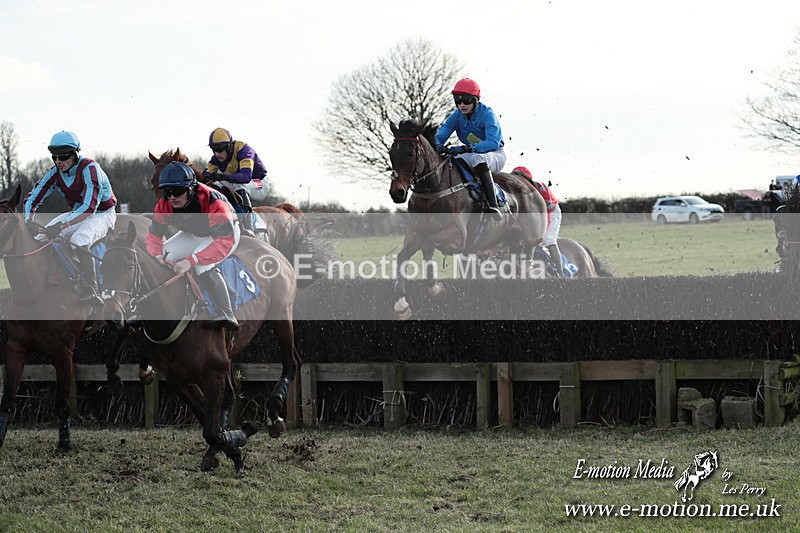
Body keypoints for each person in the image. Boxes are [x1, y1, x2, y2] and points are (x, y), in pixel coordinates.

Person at [23, 130, 117, 305]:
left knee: (80, 238)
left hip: (102, 214)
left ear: (75, 154)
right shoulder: (55, 173)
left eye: (63, 156)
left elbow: (89, 207)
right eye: (54, 157)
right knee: (40, 236)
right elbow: (32, 198)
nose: (58, 161)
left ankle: (92, 288)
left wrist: (61, 226)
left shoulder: (91, 168)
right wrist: (28, 221)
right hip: (77, 213)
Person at [146, 161, 241, 329]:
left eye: (177, 191)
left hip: (225, 235)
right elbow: (153, 235)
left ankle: (227, 313)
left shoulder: (213, 201)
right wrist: (157, 255)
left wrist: (191, 260)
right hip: (194, 233)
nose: (172, 197)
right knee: (162, 256)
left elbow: (223, 242)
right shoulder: (165, 203)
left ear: (191, 188)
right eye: (167, 192)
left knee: (201, 266)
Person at [434, 78, 506, 220]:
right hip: (471, 154)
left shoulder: (487, 114)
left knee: (477, 158)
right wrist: (437, 145)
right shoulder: (456, 116)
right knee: (451, 161)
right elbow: (443, 132)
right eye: (458, 102)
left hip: (494, 154)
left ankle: (493, 205)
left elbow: (493, 142)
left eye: (466, 101)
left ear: (475, 100)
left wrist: (467, 148)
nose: (462, 105)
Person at [203, 127, 269, 236]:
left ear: (229, 147)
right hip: (238, 183)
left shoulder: (245, 151)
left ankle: (248, 226)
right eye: (213, 150)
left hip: (259, 184)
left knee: (240, 184)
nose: (216, 154)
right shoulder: (217, 157)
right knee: (216, 185)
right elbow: (207, 176)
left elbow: (245, 177)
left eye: (219, 149)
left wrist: (221, 176)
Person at [511, 166, 564, 276]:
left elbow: (547, 211)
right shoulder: (515, 192)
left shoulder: (540, 187)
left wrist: (540, 232)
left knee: (548, 240)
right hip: (535, 215)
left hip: (551, 211)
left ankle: (560, 273)